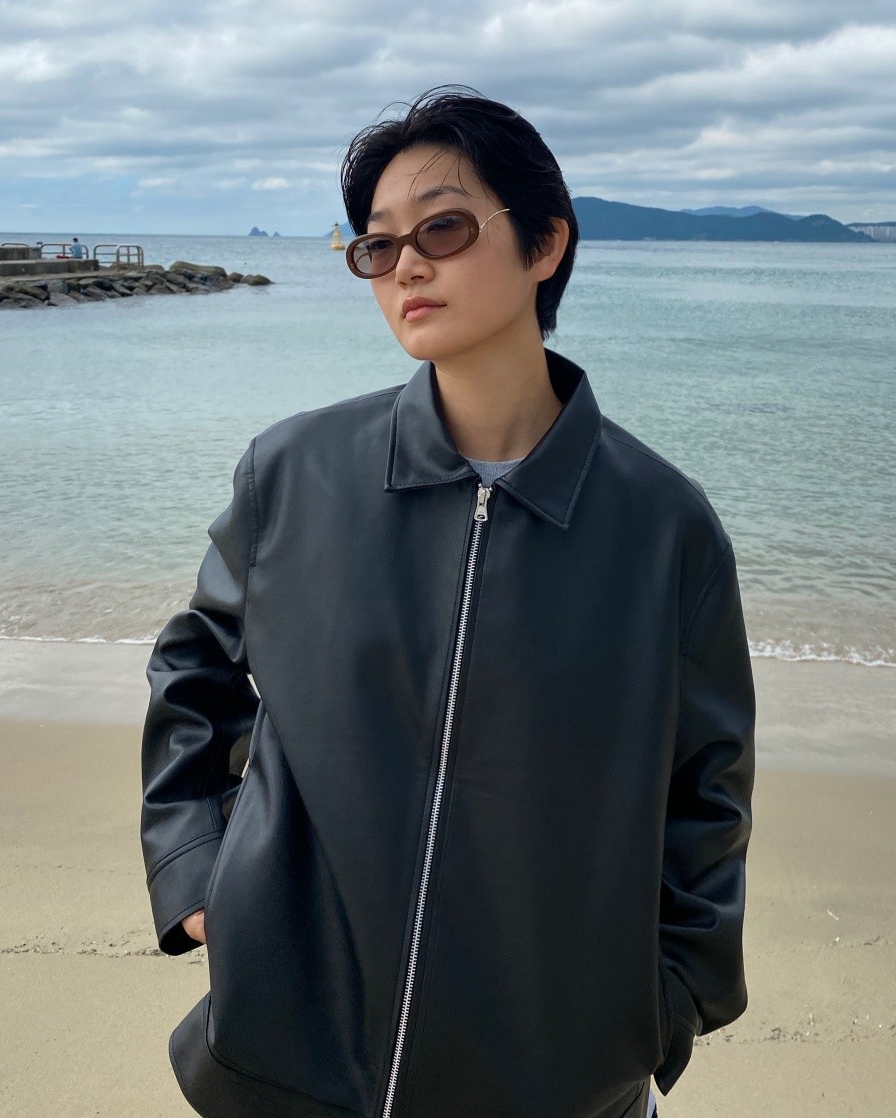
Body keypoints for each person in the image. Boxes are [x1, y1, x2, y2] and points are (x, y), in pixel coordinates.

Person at [140, 86, 755, 1118]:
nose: (406, 267)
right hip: (283, 1066)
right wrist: (200, 872)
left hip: (559, 1085)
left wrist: (663, 1003)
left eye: (443, 228)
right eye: (377, 246)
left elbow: (709, 789)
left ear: (545, 243)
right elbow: (193, 667)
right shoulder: (292, 473)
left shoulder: (664, 526)